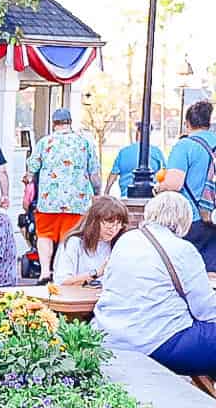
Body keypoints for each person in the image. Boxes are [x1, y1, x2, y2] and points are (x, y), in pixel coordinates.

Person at [93, 190, 216, 376]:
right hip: (156, 343)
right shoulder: (183, 249)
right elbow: (206, 310)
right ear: (185, 220)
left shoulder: (126, 240)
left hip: (110, 335)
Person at [26, 106, 100, 281]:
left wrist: (28, 180)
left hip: (48, 200)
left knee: (44, 235)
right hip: (77, 201)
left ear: (54, 124)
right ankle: (62, 273)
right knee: (69, 238)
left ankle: (45, 272)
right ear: (70, 123)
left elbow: (32, 168)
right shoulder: (84, 142)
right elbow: (94, 173)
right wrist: (97, 192)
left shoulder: (45, 142)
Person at [161, 99, 216, 220]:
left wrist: (158, 188)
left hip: (193, 217)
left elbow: (174, 184)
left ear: (187, 124)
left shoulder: (184, 145)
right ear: (208, 123)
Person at [54, 195, 127, 285]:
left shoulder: (118, 245)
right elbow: (62, 282)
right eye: (109, 222)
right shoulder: (74, 242)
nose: (113, 229)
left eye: (118, 224)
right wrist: (97, 272)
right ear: (95, 221)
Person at [105, 124, 144, 197]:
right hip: (151, 198)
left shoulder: (123, 152)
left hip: (126, 197)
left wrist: (106, 192)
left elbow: (113, 175)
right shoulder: (157, 152)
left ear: (137, 133)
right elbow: (164, 174)